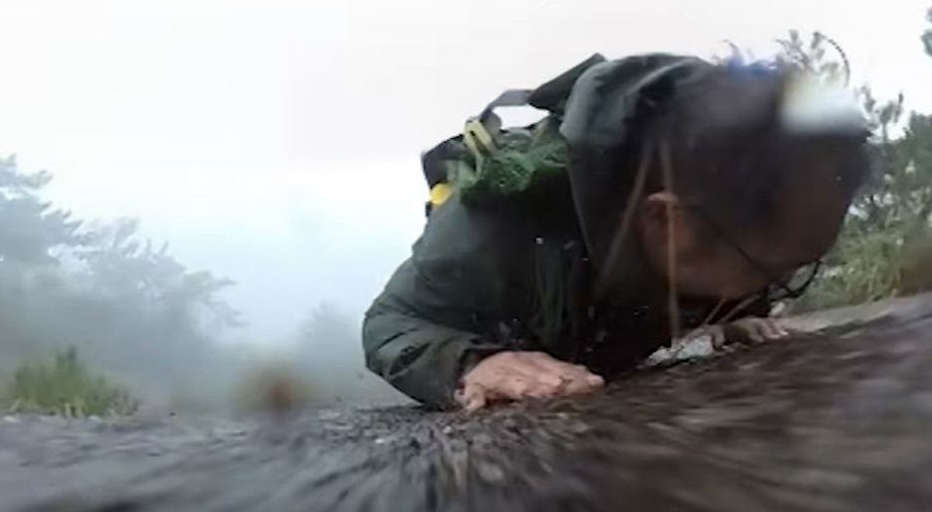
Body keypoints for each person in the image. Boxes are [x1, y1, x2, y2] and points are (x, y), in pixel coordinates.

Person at [363, 53, 869, 411]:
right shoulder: (496, 225)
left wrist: (733, 315)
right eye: (770, 272)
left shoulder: (714, 209)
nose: (775, 289)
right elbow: (390, 322)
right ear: (667, 221)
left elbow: (733, 255)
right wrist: (468, 364)